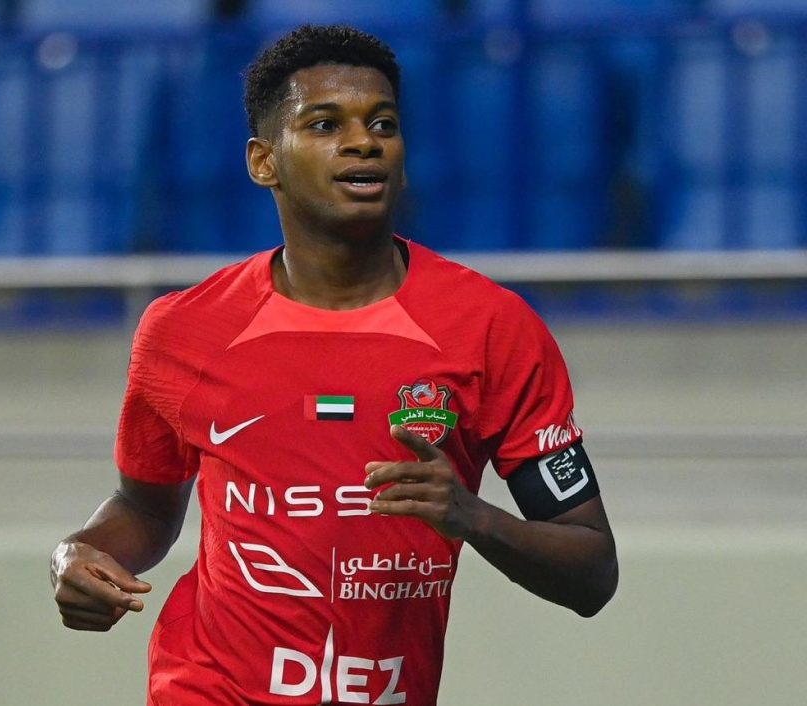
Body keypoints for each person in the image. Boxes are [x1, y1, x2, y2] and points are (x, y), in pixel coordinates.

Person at [51, 24, 618, 705]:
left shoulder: (491, 328)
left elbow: (592, 571)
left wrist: (474, 517)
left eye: (383, 124)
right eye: (325, 125)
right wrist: (80, 555)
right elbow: (144, 506)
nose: (364, 142)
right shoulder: (183, 331)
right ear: (264, 162)